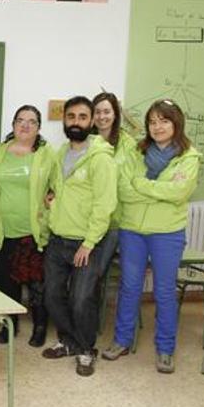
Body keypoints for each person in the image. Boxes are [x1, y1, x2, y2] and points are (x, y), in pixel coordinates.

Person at [102, 100, 201, 374]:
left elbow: (179, 193)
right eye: (152, 122)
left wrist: (143, 185)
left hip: (167, 233)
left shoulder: (189, 156)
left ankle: (165, 348)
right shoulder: (136, 151)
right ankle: (122, 341)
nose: (157, 127)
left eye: (164, 121)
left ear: (176, 123)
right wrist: (158, 189)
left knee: (164, 291)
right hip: (132, 229)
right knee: (129, 287)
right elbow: (124, 188)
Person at [41, 96, 116, 377]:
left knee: (82, 299)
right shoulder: (60, 153)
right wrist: (52, 199)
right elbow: (57, 188)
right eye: (71, 117)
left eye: (82, 117)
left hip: (87, 243)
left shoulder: (101, 158)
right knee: (51, 295)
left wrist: (88, 242)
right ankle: (70, 341)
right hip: (58, 238)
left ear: (92, 121)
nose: (76, 122)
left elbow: (104, 204)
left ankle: (85, 350)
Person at [0, 105, 56, 347]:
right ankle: (10, 324)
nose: (25, 125)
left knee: (37, 284)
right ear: (13, 124)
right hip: (4, 230)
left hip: (34, 231)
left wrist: (52, 200)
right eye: (20, 120)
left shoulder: (47, 154)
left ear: (39, 128)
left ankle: (39, 327)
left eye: (32, 121)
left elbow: (58, 188)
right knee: (7, 282)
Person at [90, 92, 137, 283]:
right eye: (97, 112)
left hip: (114, 222)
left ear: (115, 114)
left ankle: (91, 313)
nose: (102, 117)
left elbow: (131, 180)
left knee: (96, 273)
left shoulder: (128, 144)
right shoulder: (86, 141)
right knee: (83, 273)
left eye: (107, 111)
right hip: (87, 218)